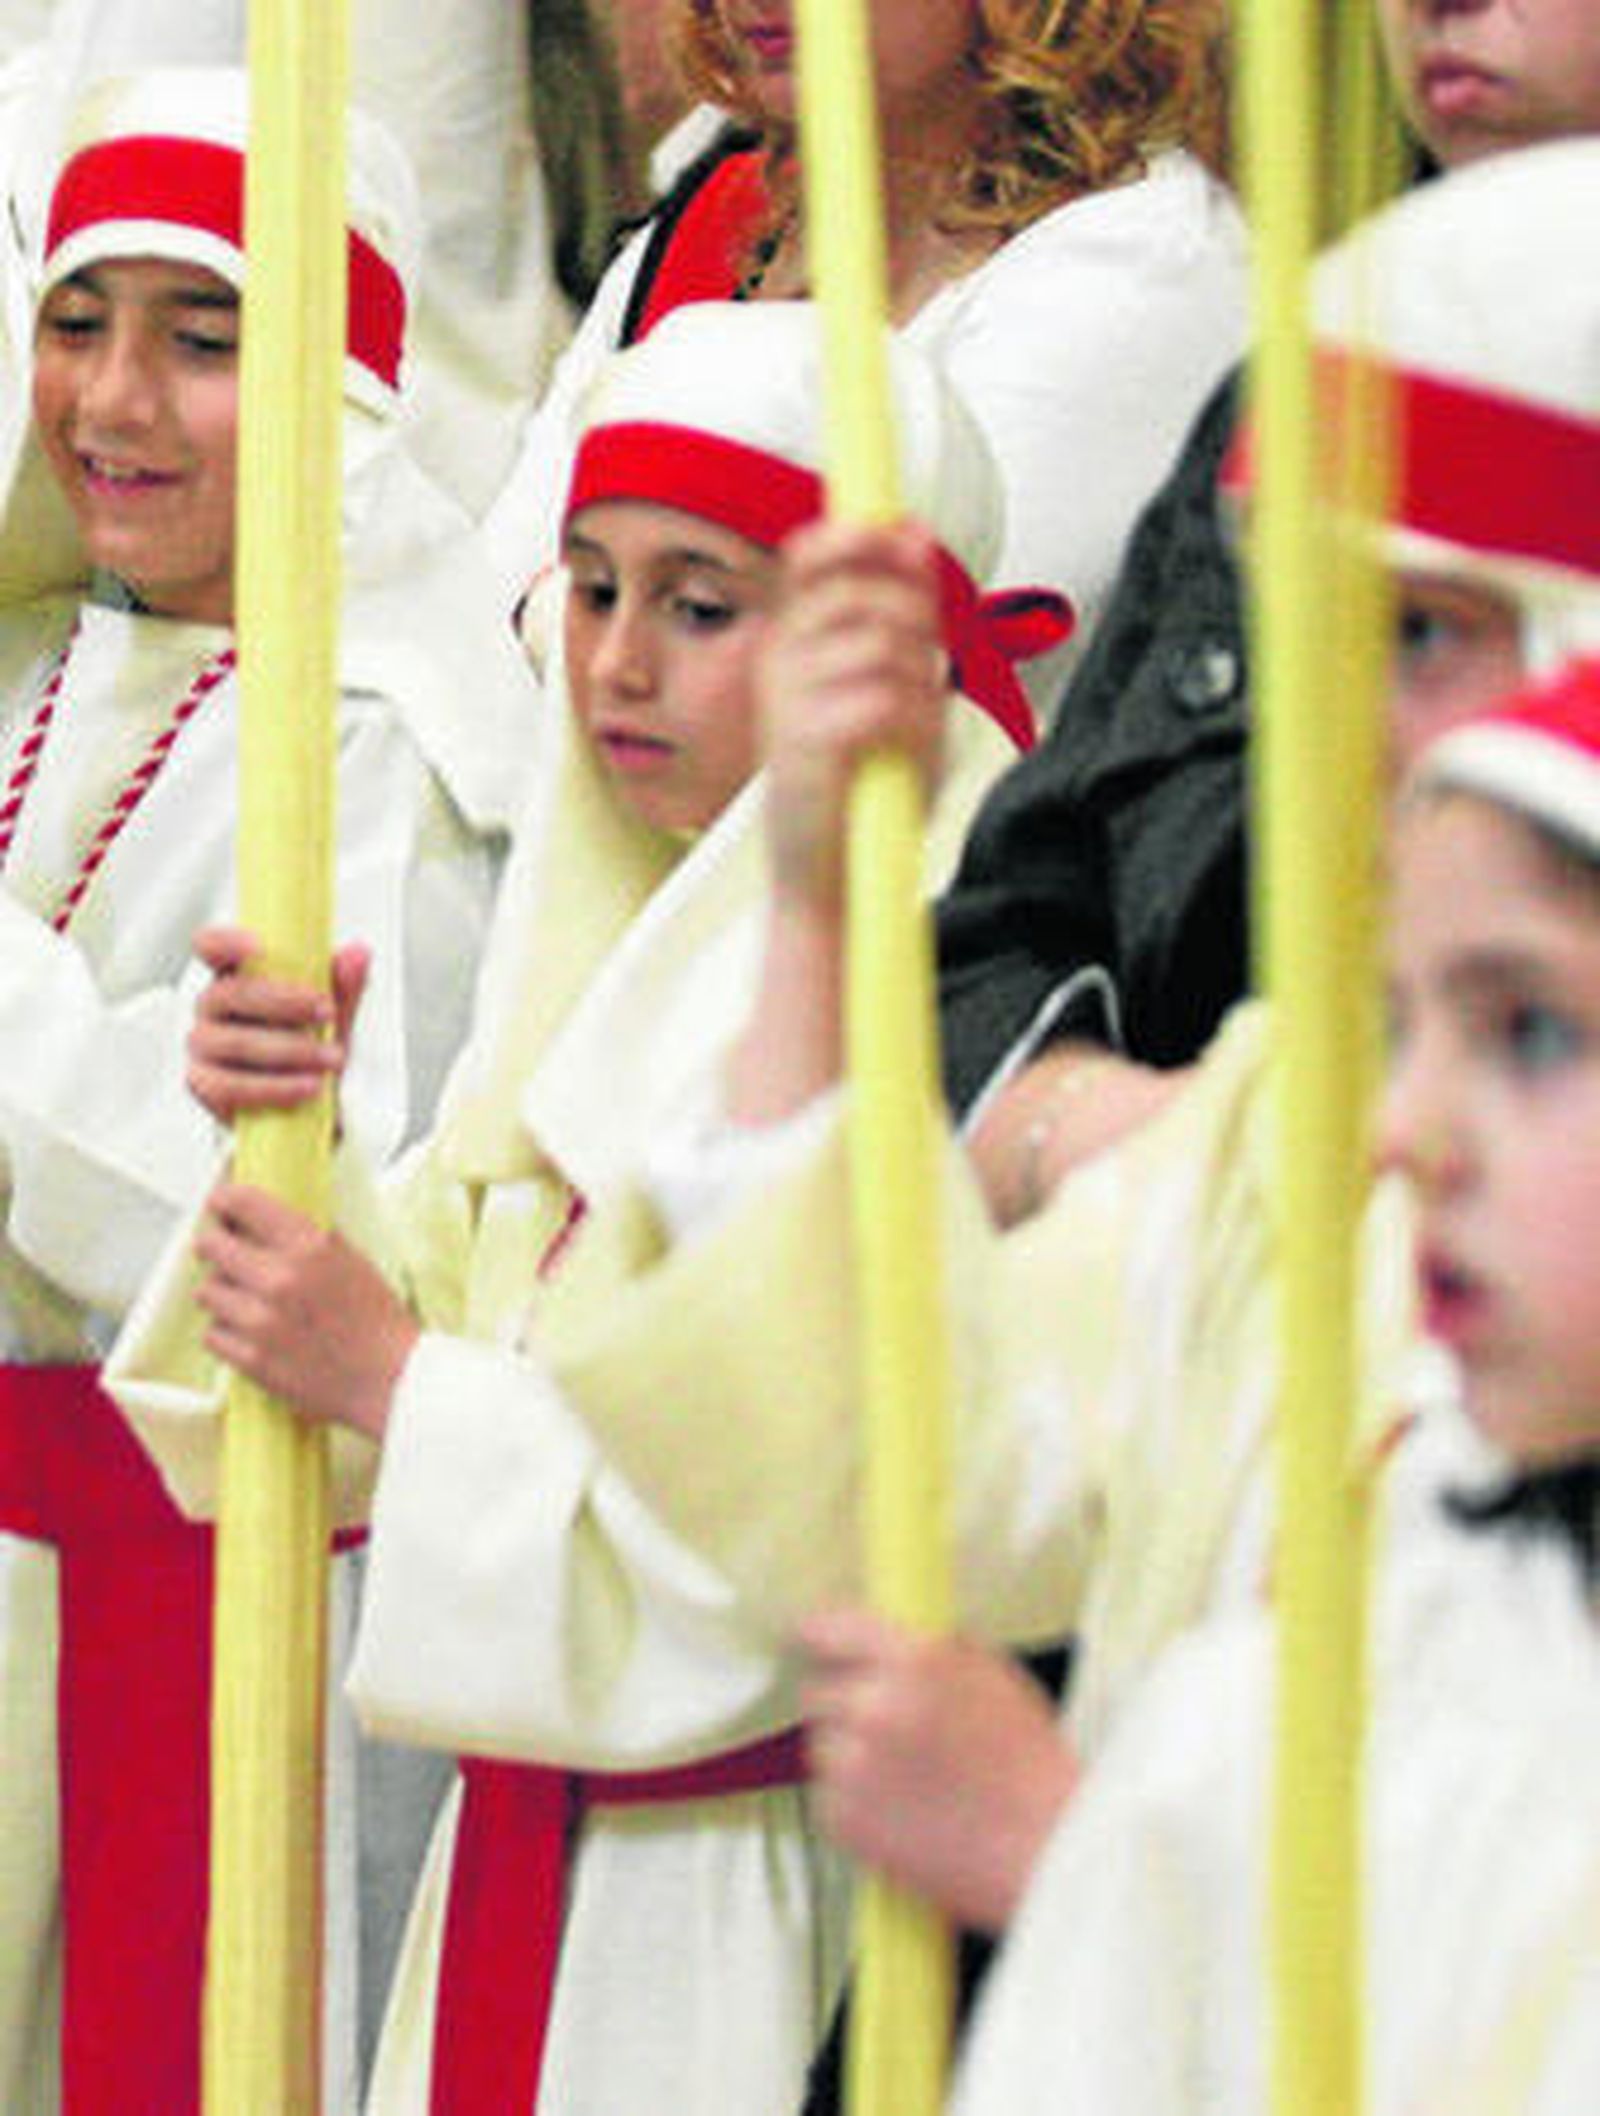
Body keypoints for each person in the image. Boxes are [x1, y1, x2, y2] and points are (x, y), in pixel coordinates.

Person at [494, 124, 1600, 1944]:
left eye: (1417, 633)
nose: (1325, 717)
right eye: (1305, 625)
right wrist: (817, 912)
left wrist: (1077, 1872)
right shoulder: (1290, 1130)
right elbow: (890, 1485)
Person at [111, 300, 1061, 2115]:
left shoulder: (923, 990)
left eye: (702, 606)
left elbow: (779, 1533)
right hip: (528, 1880)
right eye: (594, 589)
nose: (617, 664)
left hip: (745, 1902)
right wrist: (283, 1144)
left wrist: (397, 1384)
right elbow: (403, 1353)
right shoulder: (602, 943)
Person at [0, 68, 538, 2116]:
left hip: (191, 1601)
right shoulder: (32, 658)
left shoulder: (395, 754)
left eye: (205, 339)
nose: (116, 401)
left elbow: (250, 1259)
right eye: (78, 318)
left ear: (346, 381)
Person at [893, 655, 1600, 2116]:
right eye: (1400, 1026)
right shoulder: (1402, 1576)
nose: (1404, 1134)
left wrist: (1072, 1864)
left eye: (1528, 1031)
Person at [938, 0, 1600, 1219]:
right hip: (1188, 1326)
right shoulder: (1309, 387)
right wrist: (1152, 1145)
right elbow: (995, 939)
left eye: (1427, 631)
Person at [482, 0, 1248, 713]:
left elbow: (857, 696)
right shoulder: (717, 221)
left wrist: (561, 620)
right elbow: (487, 604)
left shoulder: (1142, 262)